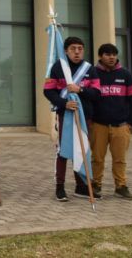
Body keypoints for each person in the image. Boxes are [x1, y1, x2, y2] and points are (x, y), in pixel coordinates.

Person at [43, 36, 101, 201]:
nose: (77, 52)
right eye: (73, 49)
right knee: (63, 151)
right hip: (65, 115)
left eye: (80, 48)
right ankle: (60, 187)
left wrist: (80, 90)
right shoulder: (58, 67)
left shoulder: (89, 69)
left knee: (82, 150)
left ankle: (81, 186)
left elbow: (97, 93)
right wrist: (64, 103)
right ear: (66, 51)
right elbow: (48, 90)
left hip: (85, 116)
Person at [91, 43, 132, 200]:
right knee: (97, 158)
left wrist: (131, 122)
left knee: (120, 159)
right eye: (107, 54)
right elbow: (88, 98)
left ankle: (121, 186)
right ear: (100, 56)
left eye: (114, 54)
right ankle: (95, 185)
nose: (111, 57)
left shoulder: (125, 74)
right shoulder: (93, 73)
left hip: (121, 126)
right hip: (99, 125)